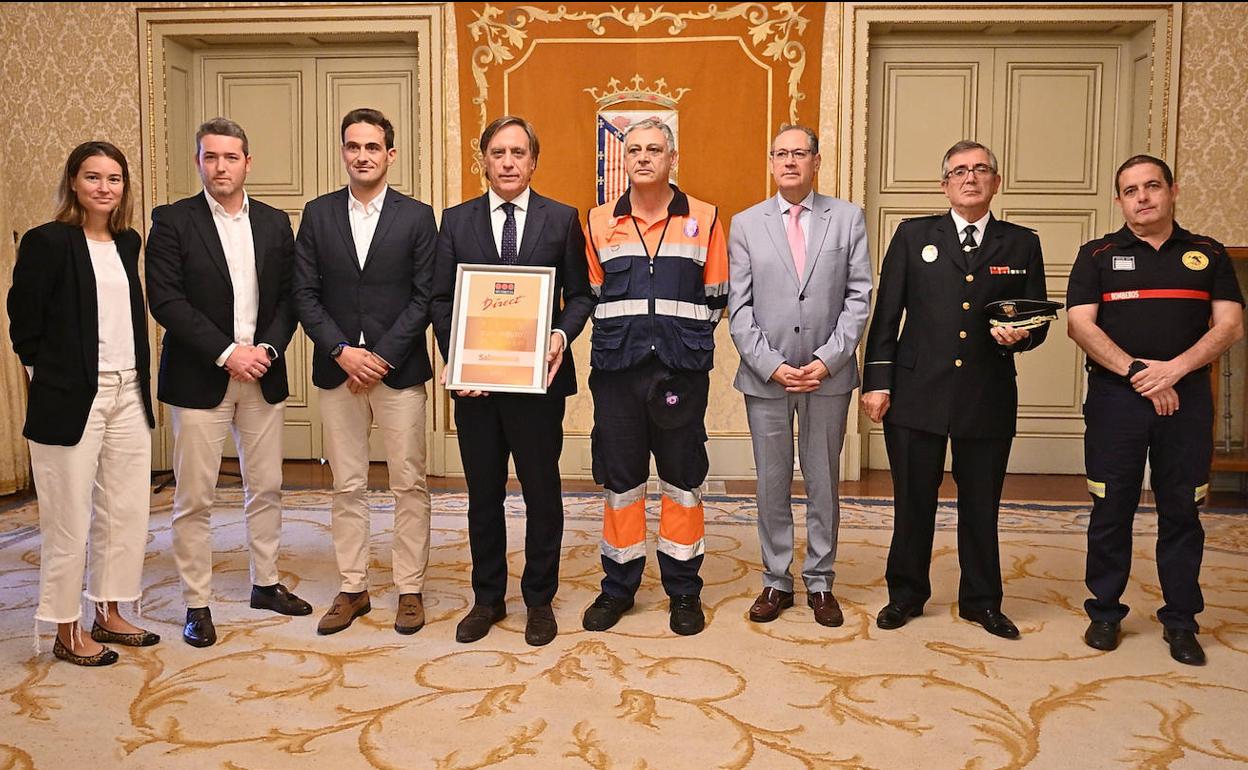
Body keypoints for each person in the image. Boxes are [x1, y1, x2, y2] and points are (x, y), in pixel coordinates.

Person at [861, 139, 1049, 639]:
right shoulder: (912, 235)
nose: (971, 178)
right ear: (944, 184)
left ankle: (983, 601)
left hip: (986, 394)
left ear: (996, 182)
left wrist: (1022, 337)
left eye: (981, 169)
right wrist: (877, 381)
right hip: (916, 392)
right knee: (912, 502)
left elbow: (1036, 320)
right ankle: (905, 595)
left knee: (982, 506)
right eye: (960, 171)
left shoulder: (1021, 243)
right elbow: (887, 317)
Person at [1067, 155, 1244, 666]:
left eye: (1151, 187)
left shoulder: (1207, 253)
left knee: (1183, 511)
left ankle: (1182, 621)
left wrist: (1174, 372)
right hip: (1115, 402)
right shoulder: (1096, 254)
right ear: (1119, 200)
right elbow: (1081, 326)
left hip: (1185, 403)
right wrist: (1143, 375)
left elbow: (1229, 325)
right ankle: (1104, 612)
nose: (1141, 197)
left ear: (1172, 191)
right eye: (1130, 190)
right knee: (1110, 507)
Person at [431, 116, 595, 646]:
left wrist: (560, 336)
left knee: (542, 493)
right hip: (476, 388)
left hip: (537, 386)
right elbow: (440, 300)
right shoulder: (456, 222)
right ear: (483, 160)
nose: (508, 162)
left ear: (533, 162)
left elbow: (583, 295)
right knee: (483, 494)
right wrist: (457, 362)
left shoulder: (562, 218)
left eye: (518, 153)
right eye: (498, 152)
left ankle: (539, 600)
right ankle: (487, 599)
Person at [147, 117, 310, 648]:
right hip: (201, 378)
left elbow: (289, 297)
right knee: (195, 497)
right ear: (198, 161)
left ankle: (265, 583)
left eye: (230, 157)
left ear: (247, 162)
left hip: (261, 374)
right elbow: (166, 301)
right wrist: (226, 353)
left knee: (265, 488)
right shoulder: (172, 221)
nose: (221, 167)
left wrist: (263, 350)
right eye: (210, 157)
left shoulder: (273, 222)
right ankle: (198, 602)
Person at [7, 141, 157, 666]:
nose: (104, 188)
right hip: (71, 397)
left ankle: (109, 612)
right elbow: (23, 322)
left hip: (128, 391)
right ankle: (65, 628)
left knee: (125, 511)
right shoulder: (49, 242)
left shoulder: (127, 241)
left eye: (114, 179)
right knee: (68, 518)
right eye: (93, 177)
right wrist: (46, 377)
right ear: (74, 182)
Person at [580, 118, 729, 636]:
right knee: (621, 483)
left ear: (672, 159)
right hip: (617, 373)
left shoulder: (705, 218)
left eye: (654, 149)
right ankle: (617, 588)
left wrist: (677, 344)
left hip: (679, 374)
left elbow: (716, 298)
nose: (643, 157)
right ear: (623, 160)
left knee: (682, 483)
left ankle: (684, 592)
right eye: (634, 149)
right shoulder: (598, 221)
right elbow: (593, 296)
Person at [293, 108, 437, 636]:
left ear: (390, 155)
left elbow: (425, 296)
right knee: (347, 485)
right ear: (342, 152)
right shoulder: (317, 213)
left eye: (372, 147)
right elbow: (303, 293)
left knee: (408, 483)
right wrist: (341, 351)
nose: (362, 155)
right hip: (338, 372)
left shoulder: (419, 217)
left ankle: (409, 589)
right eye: (353, 146)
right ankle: (353, 588)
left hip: (397, 372)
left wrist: (379, 357)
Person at [727, 125, 873, 626]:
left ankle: (820, 581)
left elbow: (859, 298)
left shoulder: (847, 218)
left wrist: (828, 359)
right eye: (781, 153)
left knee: (822, 478)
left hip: (826, 376)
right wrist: (772, 365)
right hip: (767, 377)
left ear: (815, 161)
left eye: (799, 153)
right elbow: (738, 307)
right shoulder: (746, 224)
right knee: (771, 481)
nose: (790, 161)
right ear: (771, 162)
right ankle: (776, 580)